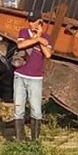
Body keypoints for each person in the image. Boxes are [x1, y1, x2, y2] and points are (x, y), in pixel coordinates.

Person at [13, 13, 52, 141]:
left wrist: (40, 37)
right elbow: (20, 45)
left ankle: (35, 139)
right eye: (30, 21)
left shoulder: (47, 37)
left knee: (36, 109)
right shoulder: (23, 32)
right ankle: (20, 138)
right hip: (20, 75)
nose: (32, 24)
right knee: (18, 106)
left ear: (40, 22)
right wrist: (38, 40)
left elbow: (47, 54)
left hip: (36, 78)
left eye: (34, 21)